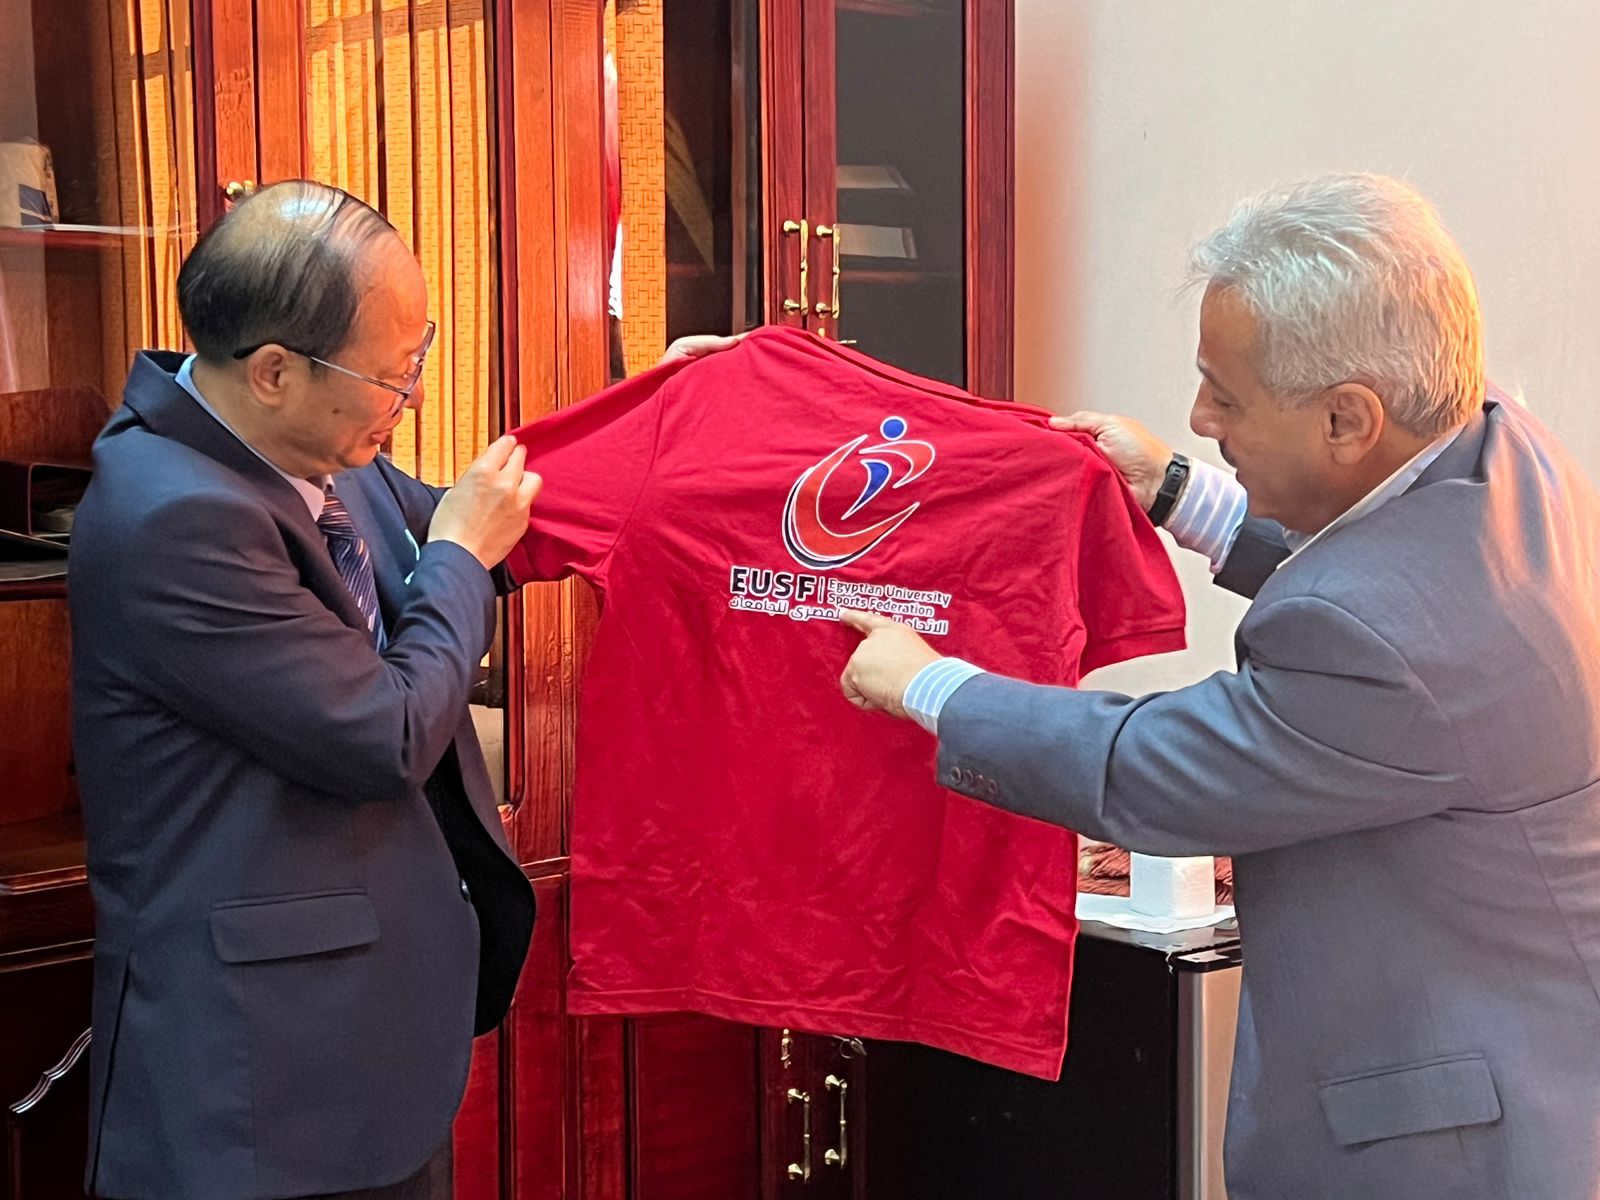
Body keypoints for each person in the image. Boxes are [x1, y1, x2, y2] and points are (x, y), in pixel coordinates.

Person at [837, 173, 1600, 1199]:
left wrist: (934, 688)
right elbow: (1376, 569)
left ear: (1347, 417)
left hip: (1440, 1147)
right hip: (1539, 1055)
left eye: (1226, 398)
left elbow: (1156, 771)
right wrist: (1176, 495)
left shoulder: (1379, 639)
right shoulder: (1499, 448)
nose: (1200, 419)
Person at [69, 180, 737, 1200]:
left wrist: (651, 416)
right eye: (392, 375)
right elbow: (384, 734)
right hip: (261, 1088)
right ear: (275, 371)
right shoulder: (174, 517)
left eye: (415, 360)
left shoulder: (308, 447)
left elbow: (488, 522)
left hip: (363, 1046)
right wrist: (459, 556)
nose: (411, 398)